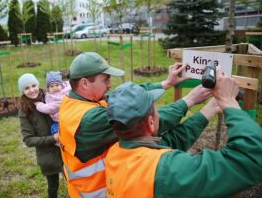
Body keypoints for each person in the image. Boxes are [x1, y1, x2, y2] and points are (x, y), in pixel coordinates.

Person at [59, 52, 212, 197]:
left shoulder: (75, 101)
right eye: (105, 79)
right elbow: (144, 118)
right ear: (85, 83)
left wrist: (165, 83)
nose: (110, 84)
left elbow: (123, 96)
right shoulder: (90, 120)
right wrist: (189, 100)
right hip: (98, 192)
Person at [105, 72, 262, 197]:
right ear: (151, 123)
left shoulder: (116, 153)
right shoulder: (167, 171)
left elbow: (167, 143)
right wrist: (228, 101)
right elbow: (254, 158)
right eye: (156, 109)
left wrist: (209, 109)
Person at [18, 73, 63, 198]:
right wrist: (52, 138)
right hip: (47, 153)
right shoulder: (24, 110)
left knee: (72, 180)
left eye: (34, 85)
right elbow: (28, 139)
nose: (32, 90)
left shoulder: (51, 96)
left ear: (38, 85)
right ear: (22, 91)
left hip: (65, 147)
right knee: (53, 185)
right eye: (27, 88)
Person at [35, 71, 71, 136]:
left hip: (65, 119)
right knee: (55, 130)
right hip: (58, 119)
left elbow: (50, 108)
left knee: (56, 130)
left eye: (57, 85)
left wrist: (39, 105)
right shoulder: (49, 94)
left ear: (61, 85)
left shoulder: (64, 95)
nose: (55, 88)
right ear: (48, 88)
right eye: (51, 86)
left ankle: (61, 141)